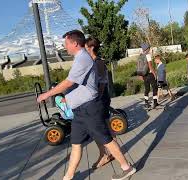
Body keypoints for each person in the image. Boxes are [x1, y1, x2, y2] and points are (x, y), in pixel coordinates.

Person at [37, 30, 135, 180]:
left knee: (106, 140)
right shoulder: (80, 58)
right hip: (80, 111)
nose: (65, 47)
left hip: (90, 109)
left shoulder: (83, 58)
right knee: (76, 143)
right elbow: (76, 85)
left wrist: (46, 94)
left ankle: (126, 168)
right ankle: (68, 177)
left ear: (75, 43)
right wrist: (68, 98)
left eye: (66, 43)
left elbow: (69, 82)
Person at [84, 37, 115, 169]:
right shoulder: (92, 62)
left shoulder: (98, 63)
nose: (84, 49)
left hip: (99, 100)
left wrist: (94, 99)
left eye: (85, 47)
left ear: (91, 48)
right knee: (102, 127)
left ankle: (106, 154)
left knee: (97, 129)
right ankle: (109, 152)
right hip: (98, 100)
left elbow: (102, 84)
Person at [137, 43, 158, 109]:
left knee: (147, 89)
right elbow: (150, 66)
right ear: (147, 48)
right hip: (150, 74)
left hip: (144, 75)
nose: (149, 49)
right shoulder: (148, 55)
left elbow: (138, 66)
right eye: (149, 48)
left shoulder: (140, 56)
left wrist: (140, 75)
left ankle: (146, 103)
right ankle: (155, 103)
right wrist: (154, 74)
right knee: (155, 88)